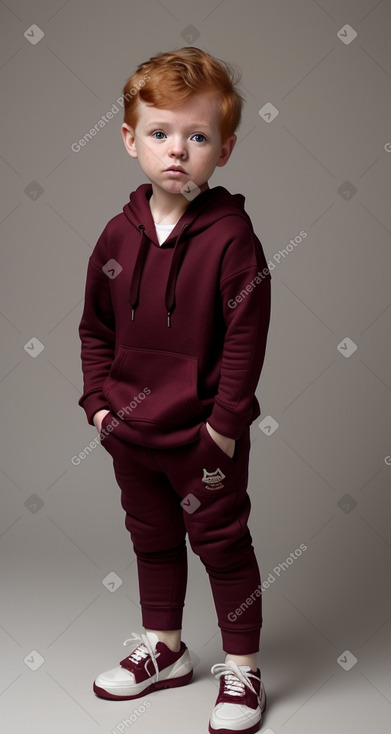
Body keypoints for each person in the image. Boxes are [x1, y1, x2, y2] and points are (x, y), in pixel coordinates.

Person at [78, 46, 271, 734]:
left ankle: (242, 668)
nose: (177, 151)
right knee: (151, 538)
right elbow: (94, 329)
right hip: (130, 430)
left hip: (201, 435)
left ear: (224, 148)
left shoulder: (231, 239)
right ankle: (163, 648)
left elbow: (246, 340)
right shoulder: (115, 234)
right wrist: (98, 407)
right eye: (160, 133)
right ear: (130, 139)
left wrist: (223, 424)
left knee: (221, 544)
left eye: (197, 136)